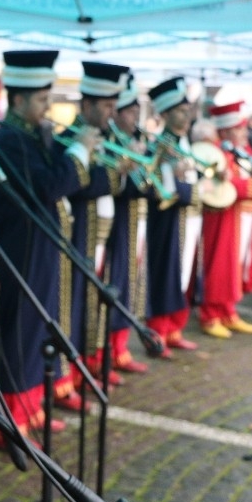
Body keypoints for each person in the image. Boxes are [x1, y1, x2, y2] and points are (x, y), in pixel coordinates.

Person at [0, 49, 90, 442]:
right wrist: (80, 151)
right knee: (22, 332)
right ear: (19, 99)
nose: (48, 109)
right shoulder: (11, 139)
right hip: (21, 249)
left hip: (39, 247)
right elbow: (46, 187)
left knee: (38, 329)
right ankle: (11, 421)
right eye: (42, 100)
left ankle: (32, 407)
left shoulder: (31, 134)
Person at [51, 61, 128, 387]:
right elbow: (78, 184)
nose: (112, 113)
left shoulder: (109, 138)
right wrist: (115, 173)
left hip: (103, 235)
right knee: (72, 306)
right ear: (87, 105)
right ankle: (66, 376)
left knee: (94, 304)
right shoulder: (67, 140)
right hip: (78, 233)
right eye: (107, 106)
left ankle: (89, 364)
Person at [146, 77, 202, 357]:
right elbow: (157, 185)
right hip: (168, 220)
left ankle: (174, 329)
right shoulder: (160, 145)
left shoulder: (184, 141)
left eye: (188, 110)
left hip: (189, 218)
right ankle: (158, 332)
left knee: (182, 275)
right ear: (165, 114)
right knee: (165, 273)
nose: (186, 115)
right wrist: (180, 183)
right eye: (180, 111)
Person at [198, 101, 252, 338]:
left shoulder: (241, 151)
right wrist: (249, 185)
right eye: (238, 128)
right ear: (225, 131)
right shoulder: (215, 152)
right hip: (221, 215)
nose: (244, 133)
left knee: (233, 265)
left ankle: (228, 310)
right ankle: (211, 314)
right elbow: (220, 182)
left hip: (240, 215)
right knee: (219, 264)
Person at [104, 75, 152, 375]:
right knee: (115, 284)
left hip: (136, 223)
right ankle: (106, 353)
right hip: (115, 227)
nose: (136, 118)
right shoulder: (111, 144)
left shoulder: (136, 142)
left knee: (130, 284)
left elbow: (147, 186)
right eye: (131, 112)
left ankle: (120, 348)